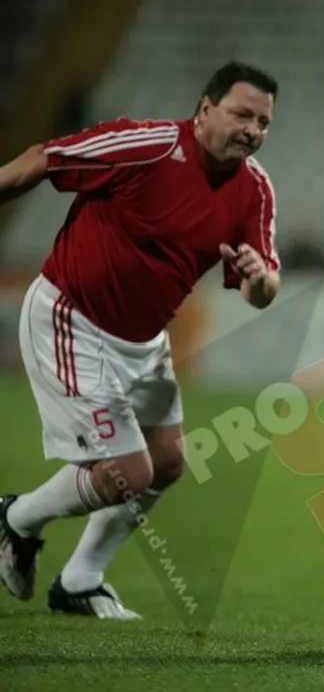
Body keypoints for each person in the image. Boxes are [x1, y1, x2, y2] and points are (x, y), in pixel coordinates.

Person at [0, 61, 282, 618]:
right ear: (205, 110)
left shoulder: (254, 189)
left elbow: (263, 290)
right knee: (128, 475)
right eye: (241, 114)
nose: (252, 130)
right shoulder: (146, 146)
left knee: (168, 463)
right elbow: (42, 159)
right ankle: (15, 519)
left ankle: (80, 580)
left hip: (144, 340)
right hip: (73, 319)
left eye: (264, 122)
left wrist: (259, 281)